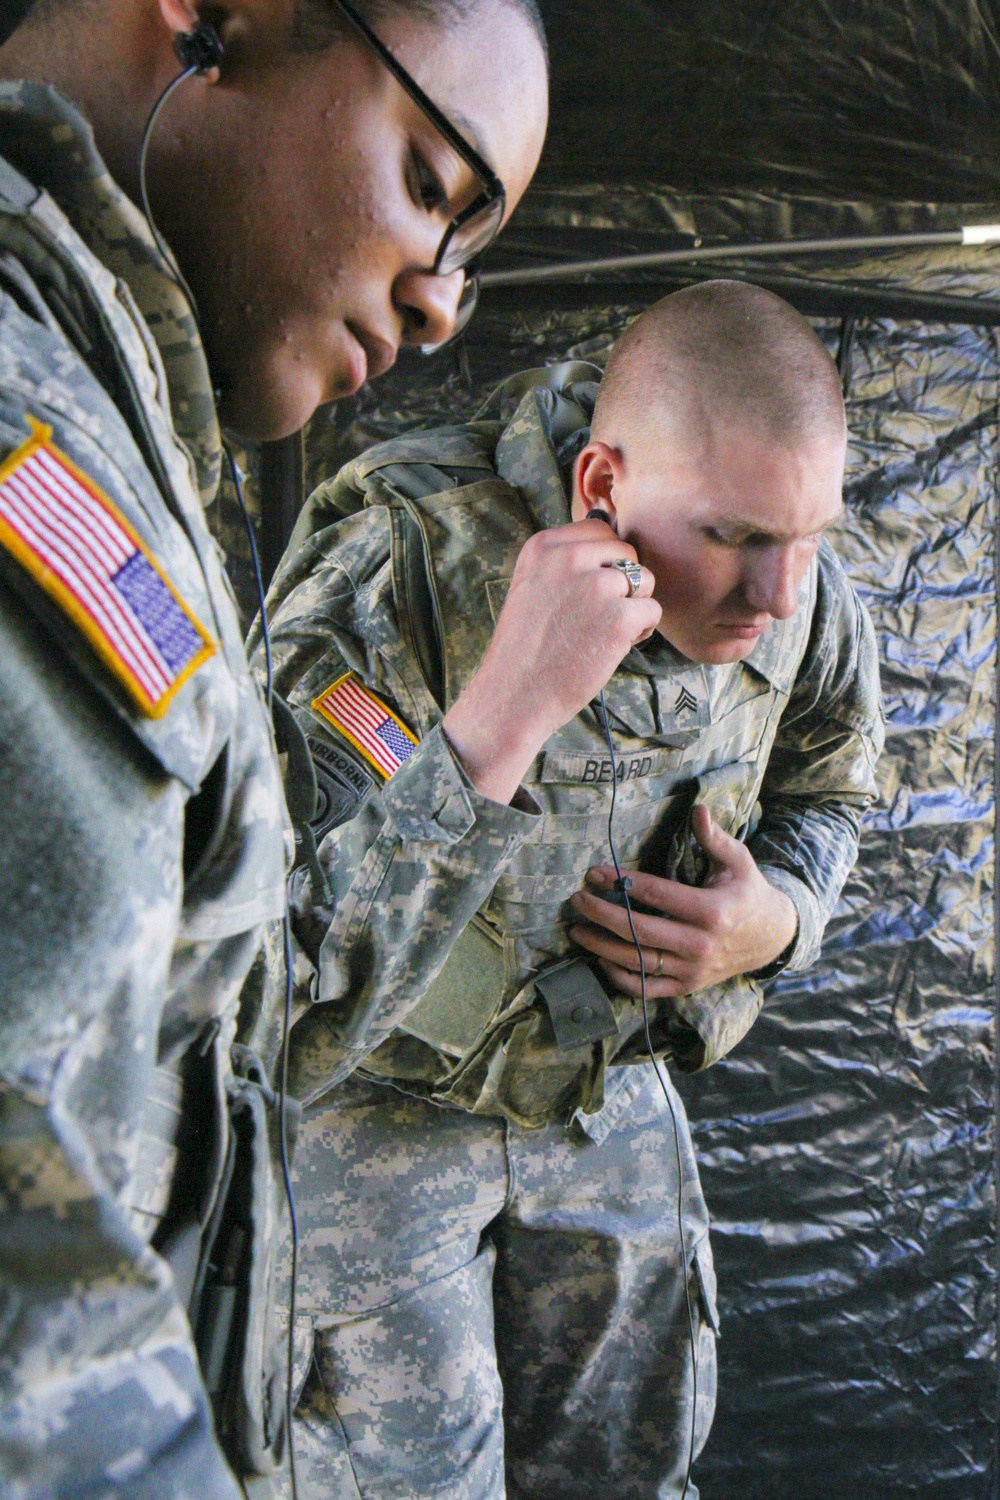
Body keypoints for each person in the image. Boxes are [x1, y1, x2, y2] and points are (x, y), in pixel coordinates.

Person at [0, 0, 548, 1493]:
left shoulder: (132, 437)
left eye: (473, 259)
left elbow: (242, 1014)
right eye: (434, 186)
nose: (443, 304)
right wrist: (495, 728)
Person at [253, 279, 885, 1499]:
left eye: (809, 538)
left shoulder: (798, 597)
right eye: (737, 538)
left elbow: (831, 788)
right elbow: (275, 944)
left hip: (604, 1111)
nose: (779, 594)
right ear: (602, 485)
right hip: (373, 1123)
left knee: (629, 1477)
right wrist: (501, 715)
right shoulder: (404, 561)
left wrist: (777, 921)